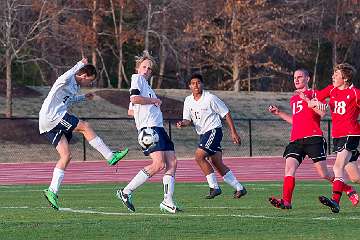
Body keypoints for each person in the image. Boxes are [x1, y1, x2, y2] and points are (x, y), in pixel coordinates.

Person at [39, 58, 129, 210]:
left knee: (66, 156)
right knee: (85, 127)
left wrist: (83, 97)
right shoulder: (67, 79)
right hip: (53, 117)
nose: (90, 84)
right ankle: (110, 156)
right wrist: (80, 64)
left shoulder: (74, 86)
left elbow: (68, 101)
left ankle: (52, 191)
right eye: (90, 81)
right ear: (84, 75)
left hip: (47, 124)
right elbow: (65, 76)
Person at [268, 69, 357, 210]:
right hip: (296, 140)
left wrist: (309, 101)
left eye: (299, 77)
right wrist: (279, 113)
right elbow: (295, 121)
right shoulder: (293, 99)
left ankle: (348, 189)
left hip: (314, 138)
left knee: (324, 174)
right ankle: (286, 201)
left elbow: (322, 113)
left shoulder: (315, 94)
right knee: (289, 168)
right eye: (294, 77)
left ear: (307, 78)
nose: (296, 80)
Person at [116, 51, 180, 214]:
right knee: (159, 164)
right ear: (138, 68)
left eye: (149, 68)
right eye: (144, 67)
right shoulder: (137, 79)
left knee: (172, 162)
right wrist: (153, 102)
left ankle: (167, 200)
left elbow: (131, 110)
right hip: (149, 129)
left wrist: (150, 109)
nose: (146, 70)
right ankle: (125, 192)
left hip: (158, 128)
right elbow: (134, 99)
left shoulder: (147, 86)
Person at [176, 73, 247, 199]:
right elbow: (187, 119)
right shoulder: (188, 100)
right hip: (203, 134)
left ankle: (214, 187)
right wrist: (183, 123)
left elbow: (226, 113)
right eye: (193, 83)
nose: (196, 85)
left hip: (213, 131)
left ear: (202, 84)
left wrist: (233, 132)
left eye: (198, 82)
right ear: (189, 86)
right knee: (217, 163)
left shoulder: (210, 98)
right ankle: (239, 188)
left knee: (199, 156)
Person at [309, 63, 360, 213]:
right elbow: (312, 101)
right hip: (337, 136)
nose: (333, 77)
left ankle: (335, 201)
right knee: (355, 178)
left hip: (351, 134)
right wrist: (318, 104)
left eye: (336, 75)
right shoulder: (331, 90)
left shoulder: (356, 93)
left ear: (345, 79)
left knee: (337, 167)